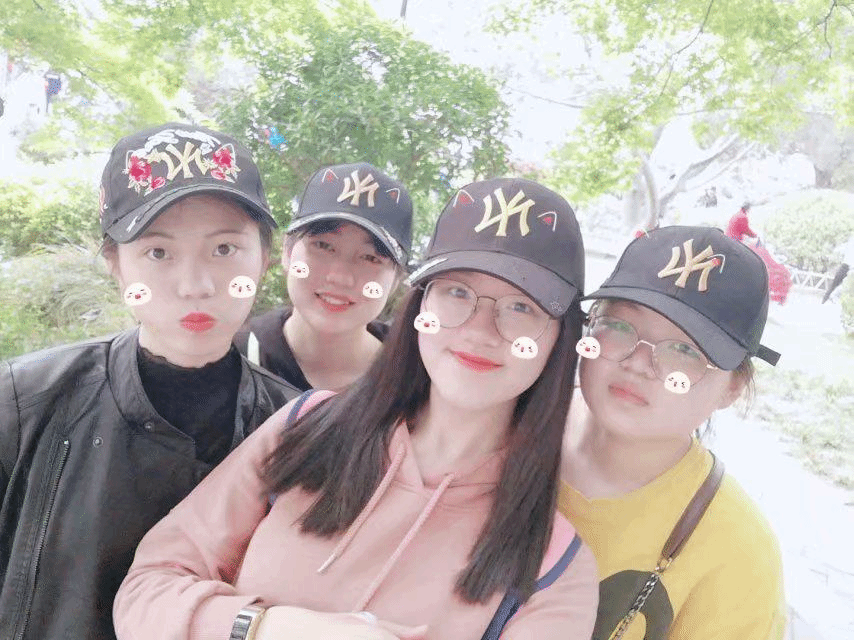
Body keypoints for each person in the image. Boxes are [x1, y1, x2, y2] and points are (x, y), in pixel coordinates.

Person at [113, 178, 599, 640]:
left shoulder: (556, 567)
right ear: (420, 306)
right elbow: (147, 589)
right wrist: (266, 627)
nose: (479, 329)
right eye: (457, 292)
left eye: (521, 307)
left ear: (561, 339)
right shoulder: (306, 426)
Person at [0, 123, 300, 640]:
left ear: (264, 259)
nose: (195, 286)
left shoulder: (299, 431)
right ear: (116, 265)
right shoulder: (23, 402)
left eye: (224, 249)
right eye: (158, 253)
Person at [560, 225, 786, 640]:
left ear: (733, 388)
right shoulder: (507, 428)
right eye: (620, 326)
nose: (638, 363)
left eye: (684, 350)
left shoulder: (737, 553)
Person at [234, 162, 413, 391]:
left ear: (396, 280)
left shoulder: (415, 378)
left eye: (370, 258)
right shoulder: (231, 360)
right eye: (323, 245)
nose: (340, 277)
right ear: (288, 252)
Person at [821, 234, 854, 303]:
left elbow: (840, 249)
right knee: (835, 286)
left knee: (836, 286)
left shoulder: (850, 241)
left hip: (848, 268)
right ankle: (825, 300)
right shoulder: (850, 241)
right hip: (847, 267)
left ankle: (826, 300)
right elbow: (841, 249)